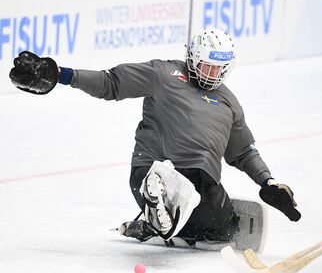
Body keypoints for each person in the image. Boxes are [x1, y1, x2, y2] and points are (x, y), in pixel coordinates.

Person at [8, 27, 301, 248]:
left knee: (221, 230)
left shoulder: (229, 102)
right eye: (205, 65)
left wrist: (268, 181)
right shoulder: (164, 73)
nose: (210, 73)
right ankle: (159, 189)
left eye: (217, 68)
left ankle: (155, 222)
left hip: (203, 181)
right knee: (178, 184)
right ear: (192, 57)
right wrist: (61, 74)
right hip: (154, 165)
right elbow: (111, 83)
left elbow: (243, 152)